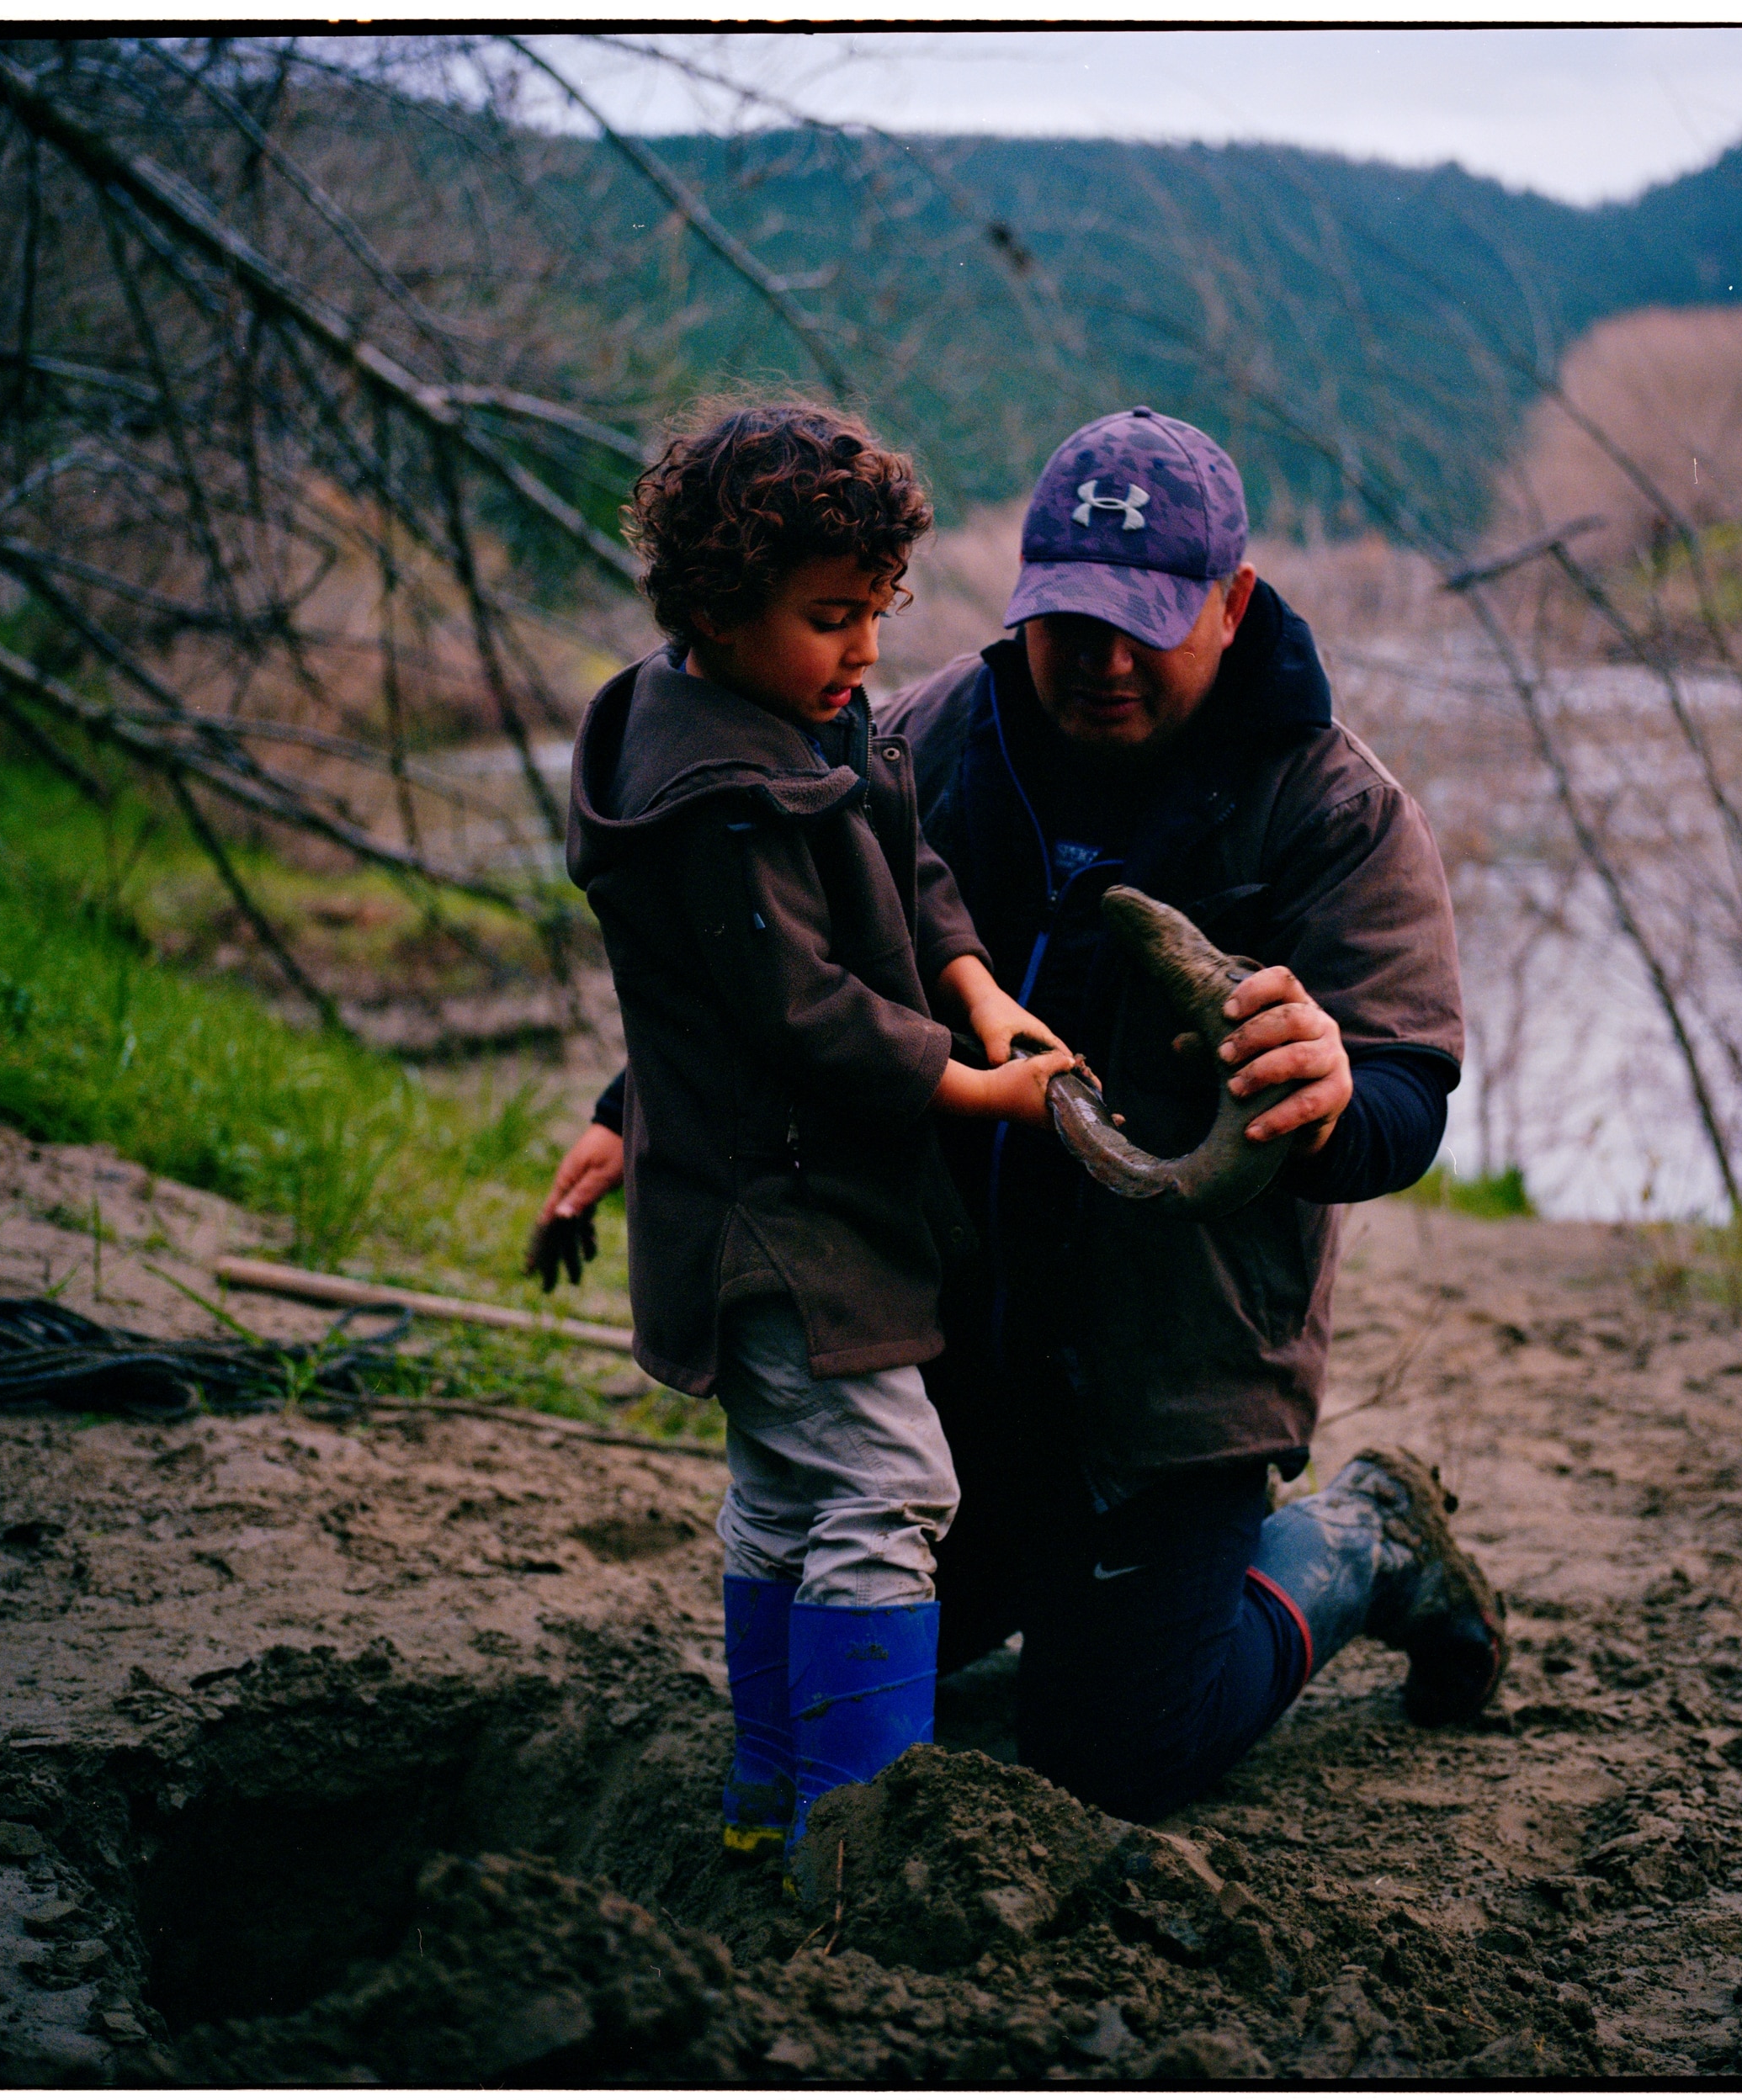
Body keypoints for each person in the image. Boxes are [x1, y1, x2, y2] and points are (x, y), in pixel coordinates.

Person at [540, 405, 1504, 1828]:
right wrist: (636, 1111)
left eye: (1149, 624)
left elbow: (1409, 1095)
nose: (1105, 663)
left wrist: (1342, 1089)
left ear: (1233, 603)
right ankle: (1043, 1608)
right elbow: (774, 964)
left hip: (1168, 1394)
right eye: (1072, 622)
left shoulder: (1335, 809)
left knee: (1117, 1759)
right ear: (1021, 601)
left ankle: (1363, 1537)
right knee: (860, 1605)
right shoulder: (916, 734)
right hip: (946, 1345)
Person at [548, 400, 1075, 1869]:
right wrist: (976, 1093)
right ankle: (856, 1841)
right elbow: (803, 1015)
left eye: (876, 617)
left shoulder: (794, 714)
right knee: (891, 1487)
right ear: (712, 610)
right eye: (828, 620)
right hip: (770, 1217)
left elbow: (905, 850)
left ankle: (768, 1806)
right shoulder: (710, 795)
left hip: (813, 1203)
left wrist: (973, 986)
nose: (862, 657)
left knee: (787, 1494)